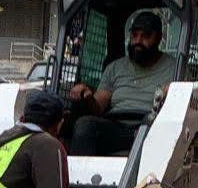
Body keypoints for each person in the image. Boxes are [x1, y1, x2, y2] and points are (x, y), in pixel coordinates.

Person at [67, 9, 175, 156]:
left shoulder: (174, 68)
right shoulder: (115, 68)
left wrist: (175, 93)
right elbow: (98, 107)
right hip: (117, 127)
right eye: (134, 35)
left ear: (158, 38)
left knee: (154, 129)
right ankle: (78, 171)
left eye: (146, 36)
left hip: (152, 128)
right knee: (84, 125)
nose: (138, 41)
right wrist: (87, 96)